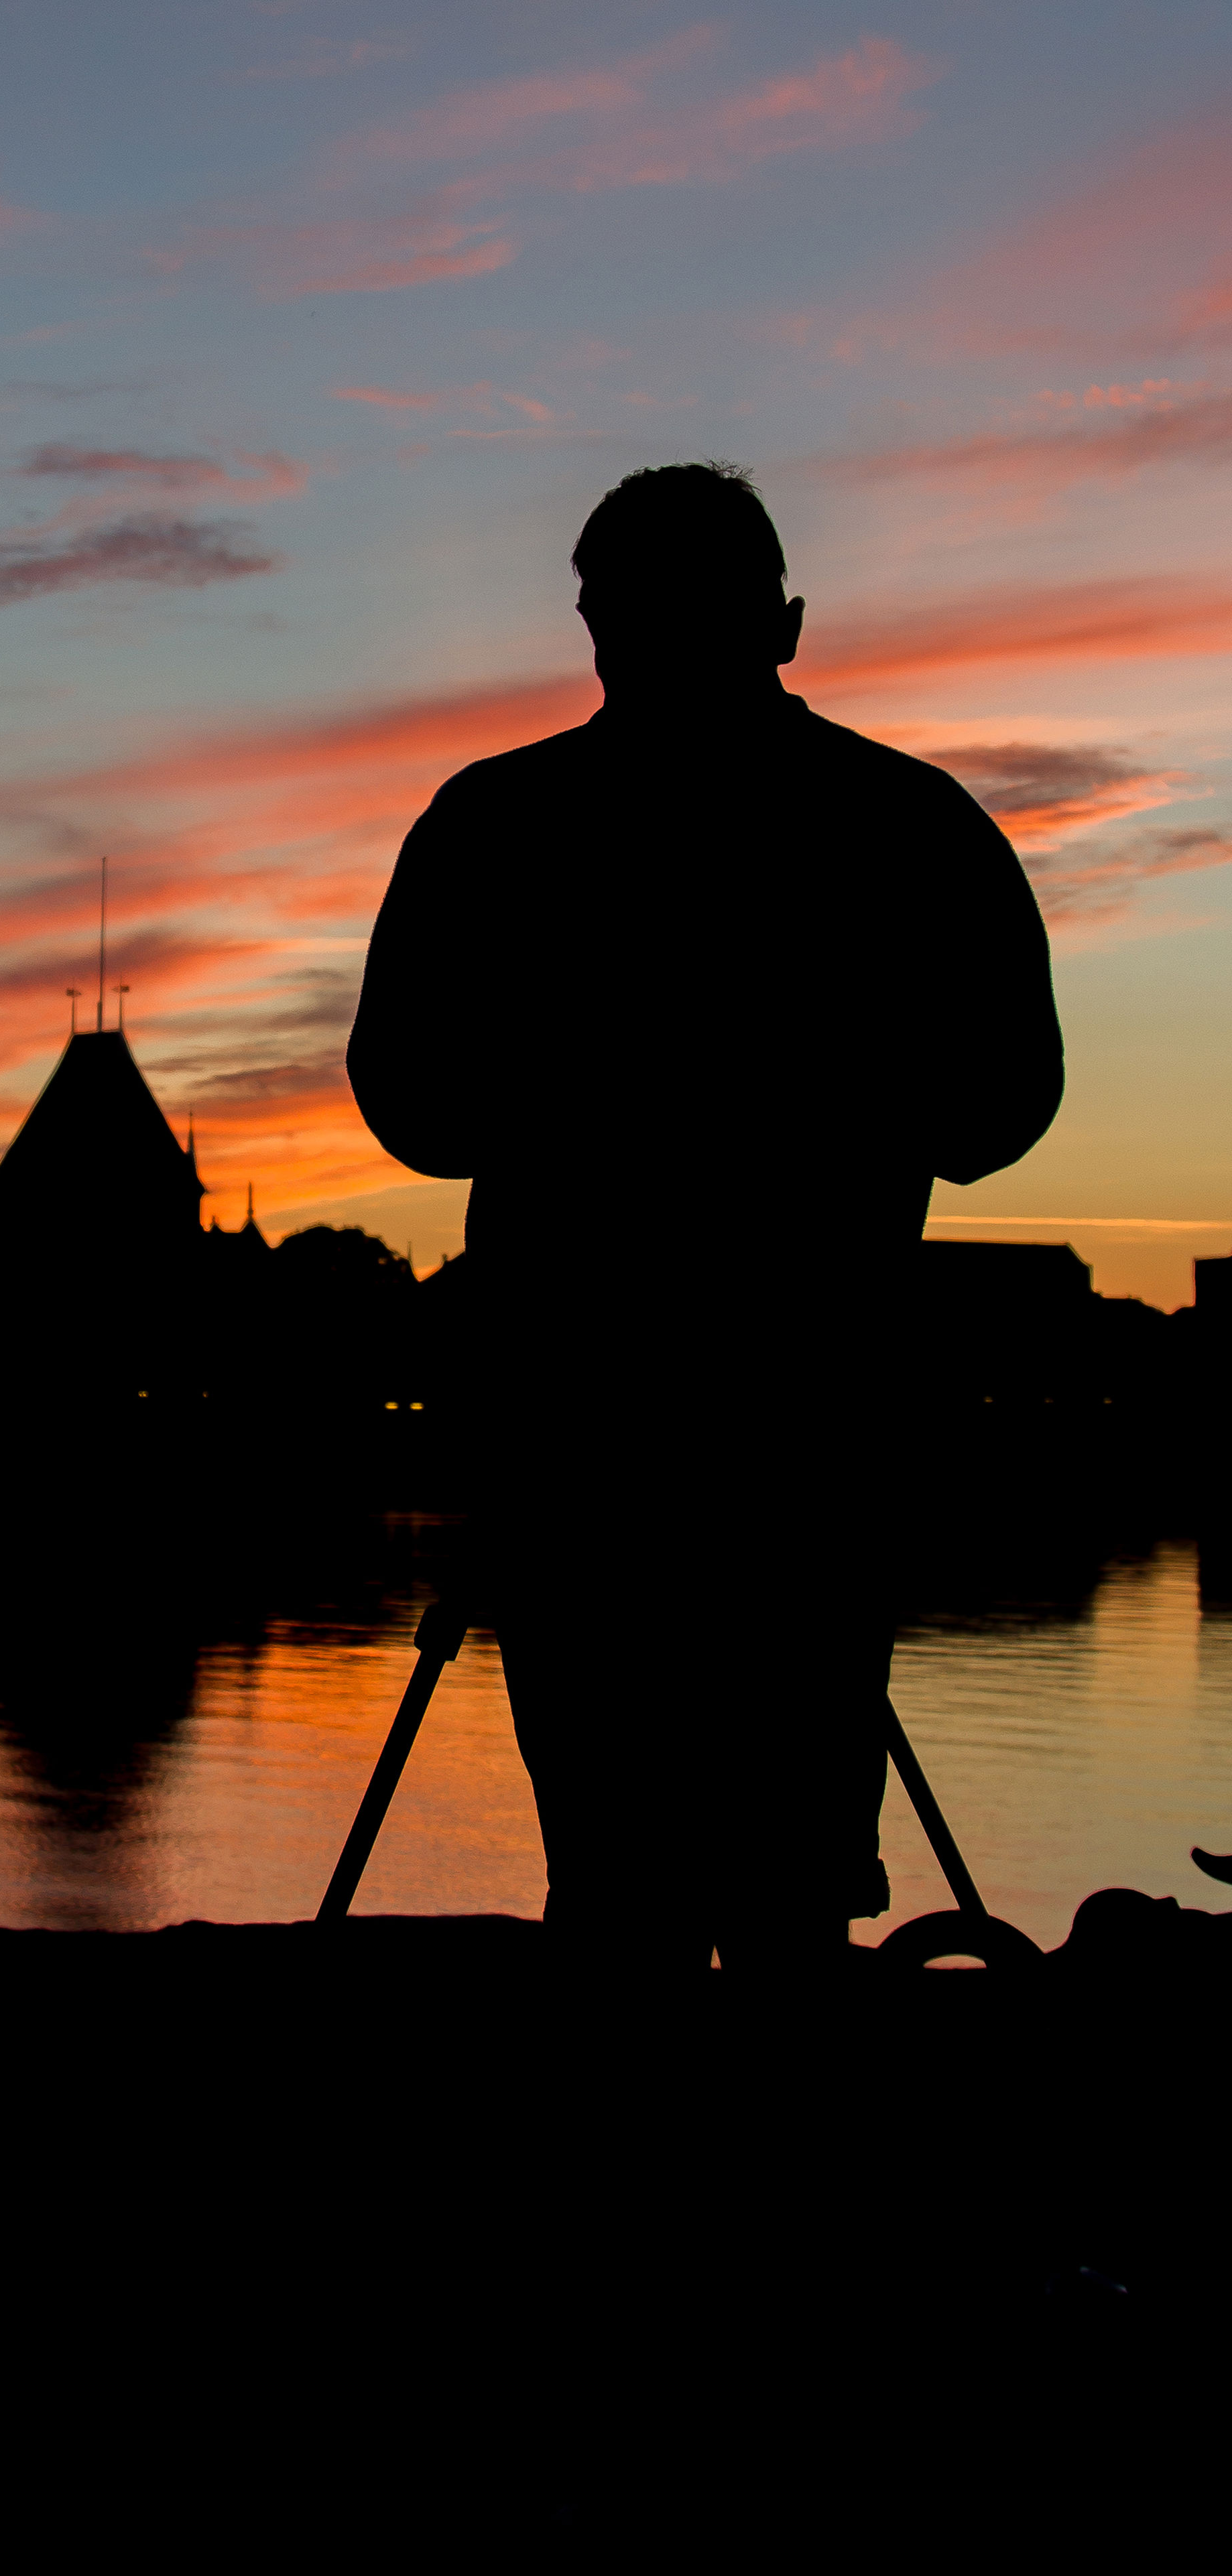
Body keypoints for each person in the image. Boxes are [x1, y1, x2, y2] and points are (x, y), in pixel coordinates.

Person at [347, 462, 1064, 1965]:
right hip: (810, 1430)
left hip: (579, 1436)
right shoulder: (915, 828)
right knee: (792, 1875)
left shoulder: (493, 823)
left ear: (598, 625)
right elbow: (1003, 1109)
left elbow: (411, 1107)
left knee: (613, 1876)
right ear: (786, 621)